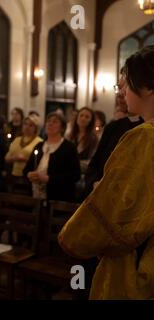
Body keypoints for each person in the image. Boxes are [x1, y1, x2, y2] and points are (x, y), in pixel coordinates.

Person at [59, 45, 154, 299]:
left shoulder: (144, 137)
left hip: (133, 266)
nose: (122, 91)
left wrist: (73, 236)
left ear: (147, 88)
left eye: (126, 84)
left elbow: (114, 211)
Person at [83, 75, 144, 198]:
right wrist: (95, 184)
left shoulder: (146, 128)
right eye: (118, 88)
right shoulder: (112, 128)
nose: (120, 94)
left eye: (125, 88)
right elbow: (94, 165)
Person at [23, 112, 81, 202]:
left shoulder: (69, 147)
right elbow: (27, 169)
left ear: (62, 128)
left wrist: (49, 178)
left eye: (55, 122)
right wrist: (29, 174)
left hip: (58, 197)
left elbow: (75, 175)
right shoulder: (39, 145)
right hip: (35, 196)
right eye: (48, 121)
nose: (50, 124)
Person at [5, 114, 43, 194]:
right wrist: (14, 158)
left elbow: (40, 161)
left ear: (36, 128)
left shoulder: (39, 142)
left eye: (31, 125)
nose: (27, 127)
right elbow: (7, 158)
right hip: (14, 175)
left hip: (29, 177)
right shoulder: (17, 140)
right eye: (25, 124)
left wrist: (25, 159)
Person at [66, 107, 98, 174]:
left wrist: (72, 164)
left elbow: (92, 161)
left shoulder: (93, 139)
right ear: (77, 118)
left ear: (91, 121)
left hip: (82, 175)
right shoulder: (69, 136)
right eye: (81, 115)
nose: (83, 118)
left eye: (87, 117)